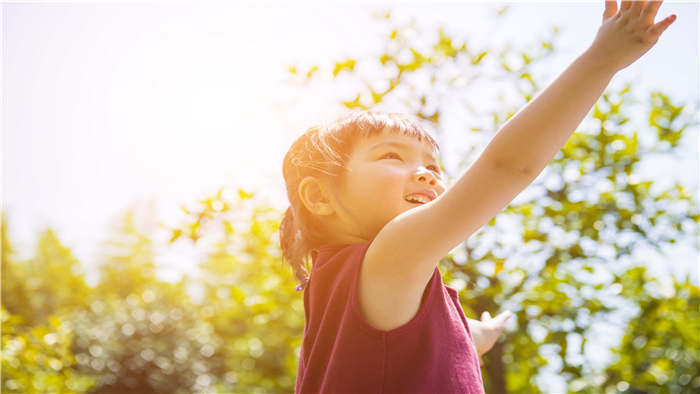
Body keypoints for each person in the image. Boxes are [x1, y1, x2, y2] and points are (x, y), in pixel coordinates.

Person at [279, 1, 676, 392]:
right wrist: (601, 60)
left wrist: (475, 334)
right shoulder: (389, 257)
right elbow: (507, 166)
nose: (427, 175)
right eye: (391, 156)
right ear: (319, 197)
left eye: (434, 167)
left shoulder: (350, 295)